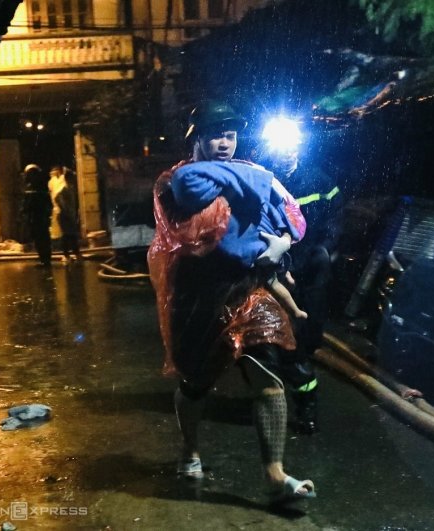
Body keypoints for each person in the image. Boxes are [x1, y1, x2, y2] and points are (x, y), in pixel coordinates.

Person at [147, 99, 316, 502]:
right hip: (198, 297)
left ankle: (275, 476)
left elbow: (291, 214)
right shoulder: (173, 180)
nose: (225, 142)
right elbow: (190, 195)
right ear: (198, 138)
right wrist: (257, 179)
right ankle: (189, 449)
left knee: (269, 381)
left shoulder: (244, 172)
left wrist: (283, 243)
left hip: (246, 289)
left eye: (231, 135)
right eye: (215, 135)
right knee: (196, 383)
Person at [262, 137, 344, 435]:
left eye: (290, 147)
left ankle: (304, 381)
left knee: (309, 329)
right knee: (283, 338)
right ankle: (289, 396)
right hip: (278, 268)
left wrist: (324, 251)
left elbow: (335, 219)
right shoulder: (264, 180)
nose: (285, 154)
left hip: (311, 266)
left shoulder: (320, 180)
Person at [22, 164, 53, 267]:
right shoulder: (42, 186)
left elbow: (27, 204)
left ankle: (44, 260)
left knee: (40, 239)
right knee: (42, 239)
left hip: (36, 218)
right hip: (40, 218)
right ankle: (45, 259)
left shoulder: (32, 188)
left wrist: (23, 212)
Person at [51, 166, 82, 262]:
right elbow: (57, 198)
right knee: (66, 235)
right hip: (64, 215)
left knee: (71, 234)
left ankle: (74, 253)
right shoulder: (63, 188)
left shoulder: (69, 188)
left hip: (68, 214)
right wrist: (63, 208)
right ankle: (67, 255)